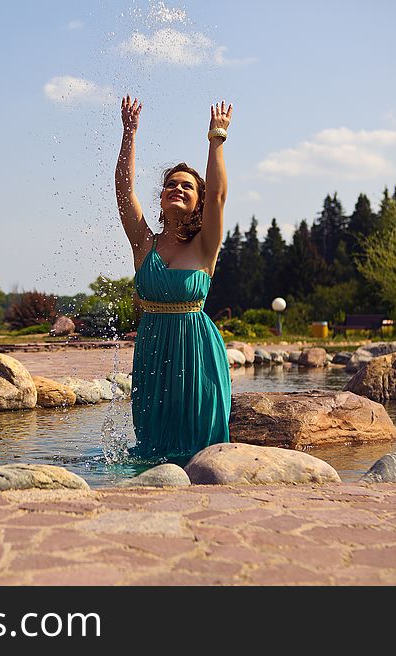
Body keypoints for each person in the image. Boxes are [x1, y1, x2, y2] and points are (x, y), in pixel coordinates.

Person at [115, 95, 233, 461]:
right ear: (162, 197)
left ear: (197, 202)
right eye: (170, 184)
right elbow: (123, 192)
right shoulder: (143, 244)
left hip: (196, 350)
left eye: (187, 186)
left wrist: (216, 138)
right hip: (153, 348)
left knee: (198, 445)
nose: (177, 189)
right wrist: (129, 134)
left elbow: (217, 194)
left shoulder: (205, 245)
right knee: (152, 447)